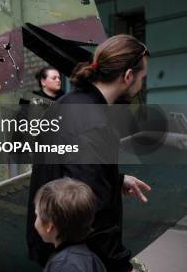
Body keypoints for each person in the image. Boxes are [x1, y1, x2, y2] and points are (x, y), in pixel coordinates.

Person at [27, 34, 152, 272]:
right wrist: (122, 265)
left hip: (55, 251)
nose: (141, 85)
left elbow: (70, 175)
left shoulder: (68, 103)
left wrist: (115, 180)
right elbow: (94, 210)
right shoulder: (94, 123)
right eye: (142, 78)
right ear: (127, 77)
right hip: (81, 260)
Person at [35, 178, 106, 272]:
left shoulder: (64, 265)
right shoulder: (91, 258)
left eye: (37, 215)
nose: (35, 220)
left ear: (49, 226)